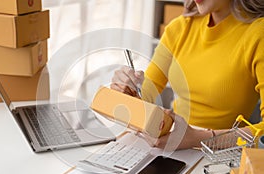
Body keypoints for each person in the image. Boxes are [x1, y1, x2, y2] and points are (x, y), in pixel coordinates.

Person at [111, 0, 264, 150]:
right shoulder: (180, 27)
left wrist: (196, 139)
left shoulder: (258, 33)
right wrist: (127, 92)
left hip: (221, 154)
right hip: (172, 144)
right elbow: (147, 92)